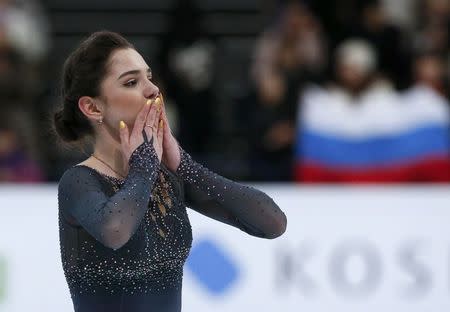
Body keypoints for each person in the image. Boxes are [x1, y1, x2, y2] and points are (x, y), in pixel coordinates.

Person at [53, 31, 287, 312]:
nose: (152, 90)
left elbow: (273, 223)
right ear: (92, 107)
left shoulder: (167, 180)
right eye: (131, 82)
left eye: (149, 77)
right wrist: (144, 165)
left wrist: (184, 166)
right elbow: (115, 230)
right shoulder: (79, 181)